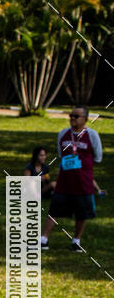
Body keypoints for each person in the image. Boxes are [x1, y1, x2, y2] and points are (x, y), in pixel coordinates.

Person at [41, 106, 103, 252]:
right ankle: (43, 239)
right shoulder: (63, 134)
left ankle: (76, 241)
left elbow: (98, 156)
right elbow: (61, 154)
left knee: (82, 212)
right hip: (65, 181)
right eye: (71, 116)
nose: (72, 118)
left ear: (85, 119)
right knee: (54, 209)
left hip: (83, 181)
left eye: (76, 116)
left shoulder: (92, 135)